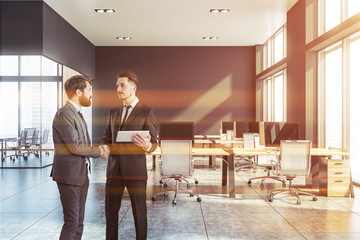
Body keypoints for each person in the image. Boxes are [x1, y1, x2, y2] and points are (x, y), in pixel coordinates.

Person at [51, 75, 110, 240]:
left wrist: (99, 150)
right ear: (78, 91)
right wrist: (99, 151)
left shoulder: (77, 113)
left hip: (80, 174)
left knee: (79, 221)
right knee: (72, 221)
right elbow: (74, 146)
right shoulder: (64, 114)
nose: (92, 94)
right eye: (89, 90)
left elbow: (80, 144)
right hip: (69, 176)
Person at [103, 70, 158, 240]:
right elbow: (106, 136)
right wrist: (105, 146)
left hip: (135, 170)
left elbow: (154, 143)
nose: (118, 89)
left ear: (133, 87)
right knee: (110, 212)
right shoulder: (113, 111)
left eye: (122, 85)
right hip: (113, 170)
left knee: (139, 213)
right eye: (117, 86)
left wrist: (148, 145)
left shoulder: (147, 111)